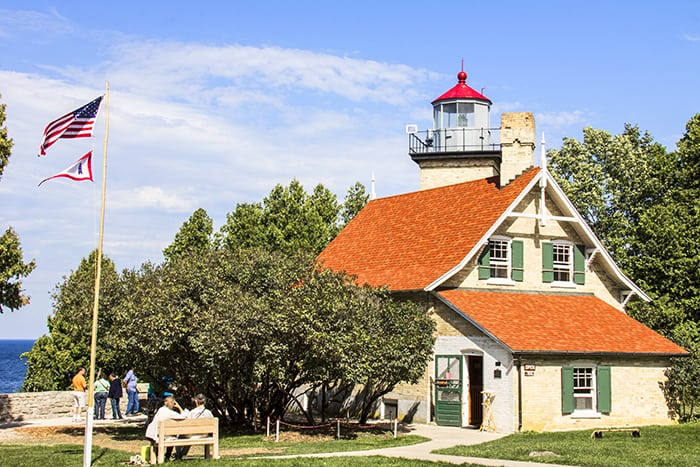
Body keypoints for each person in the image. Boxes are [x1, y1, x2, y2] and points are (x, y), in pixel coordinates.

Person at [145, 395, 186, 461]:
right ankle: (167, 456)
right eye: (173, 403)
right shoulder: (170, 413)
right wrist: (179, 407)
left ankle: (156, 457)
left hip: (152, 434)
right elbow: (184, 416)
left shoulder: (160, 410)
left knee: (170, 436)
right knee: (172, 437)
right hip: (161, 436)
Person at [174, 393, 214, 460]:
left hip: (192, 435)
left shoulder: (192, 412)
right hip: (204, 435)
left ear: (196, 401)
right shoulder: (208, 412)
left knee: (181, 436)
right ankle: (182, 453)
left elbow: (187, 423)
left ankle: (179, 454)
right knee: (189, 435)